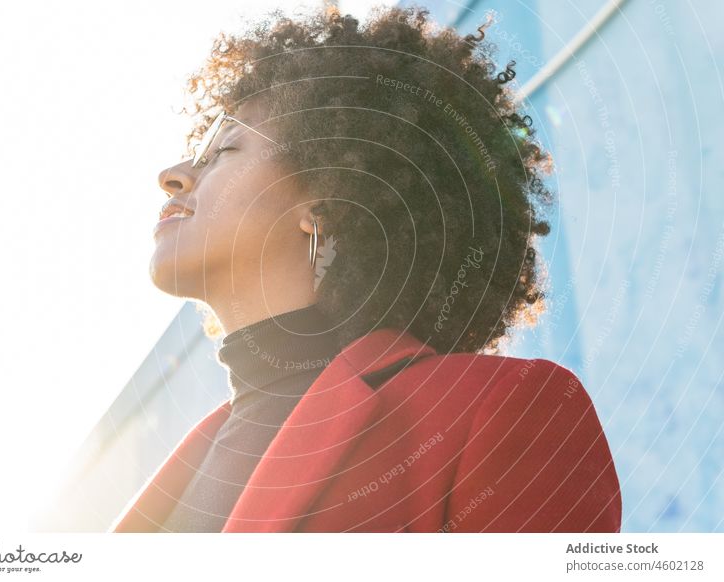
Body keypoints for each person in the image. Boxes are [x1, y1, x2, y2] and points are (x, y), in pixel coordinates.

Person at [110, 5, 621, 533]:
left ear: (320, 205)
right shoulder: (175, 476)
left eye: (222, 152)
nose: (171, 175)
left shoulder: (496, 410)